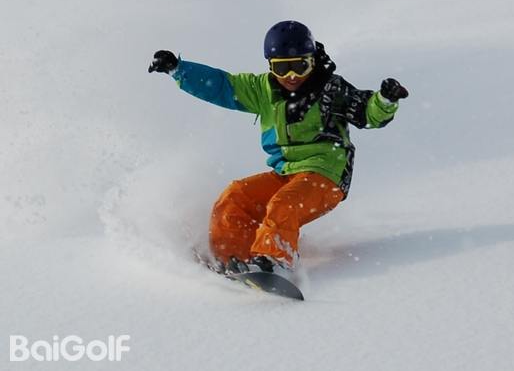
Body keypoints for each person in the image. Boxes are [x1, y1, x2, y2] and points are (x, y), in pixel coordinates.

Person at [148, 20, 408, 275]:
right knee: (236, 196)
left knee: (284, 204)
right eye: (282, 68)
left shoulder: (331, 89)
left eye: (300, 66)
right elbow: (221, 86)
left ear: (312, 62)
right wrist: (178, 69)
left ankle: (276, 260)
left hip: (326, 175)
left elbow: (367, 113)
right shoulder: (262, 90)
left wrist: (384, 101)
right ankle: (233, 258)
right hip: (286, 173)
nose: (292, 76)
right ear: (271, 66)